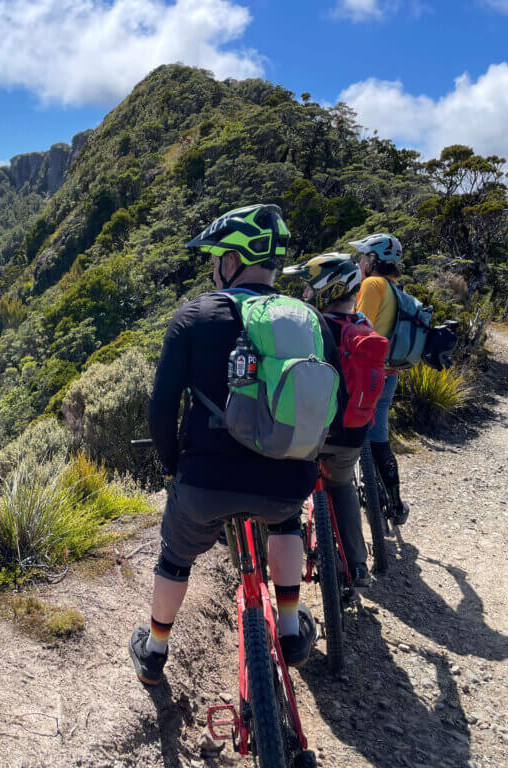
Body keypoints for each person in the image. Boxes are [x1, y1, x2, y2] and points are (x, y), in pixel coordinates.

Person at [128, 204, 339, 686]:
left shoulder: (194, 315)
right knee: (286, 517)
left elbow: (161, 408)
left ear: (231, 261)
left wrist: (172, 469)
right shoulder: (309, 320)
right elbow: (334, 401)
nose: (215, 265)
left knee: (175, 555)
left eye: (219, 257)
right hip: (287, 479)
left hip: (205, 482)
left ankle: (155, 648)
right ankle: (289, 627)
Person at [283, 254, 375, 588]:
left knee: (289, 487)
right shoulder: (365, 327)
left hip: (311, 432)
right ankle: (358, 564)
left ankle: (286, 557)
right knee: (341, 486)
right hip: (353, 432)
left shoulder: (309, 328)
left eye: (309, 285)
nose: (305, 292)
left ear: (326, 288)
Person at [351, 233, 410, 525]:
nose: (359, 261)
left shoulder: (372, 284)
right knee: (380, 439)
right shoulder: (395, 288)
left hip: (366, 373)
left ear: (373, 260)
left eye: (362, 256)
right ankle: (396, 503)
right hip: (389, 375)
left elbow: (359, 327)